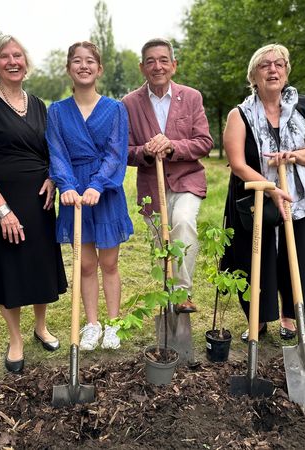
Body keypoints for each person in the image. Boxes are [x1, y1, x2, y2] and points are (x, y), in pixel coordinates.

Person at [0, 35, 68, 373]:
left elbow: (51, 150)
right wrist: (2, 209)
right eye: (4, 56)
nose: (12, 61)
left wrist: (53, 178)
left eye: (18, 55)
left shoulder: (38, 104)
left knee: (38, 265)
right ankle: (15, 339)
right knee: (8, 267)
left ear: (26, 61)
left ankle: (40, 327)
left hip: (39, 199)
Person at [221, 43, 305, 342]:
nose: (273, 69)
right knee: (254, 257)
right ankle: (257, 319)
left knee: (293, 254)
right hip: (255, 197)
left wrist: (294, 156)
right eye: (265, 65)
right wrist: (270, 189)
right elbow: (236, 163)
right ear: (253, 76)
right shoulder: (240, 114)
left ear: (286, 71)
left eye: (279, 64)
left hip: (297, 197)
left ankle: (289, 316)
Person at [46, 41, 133, 351]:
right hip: (73, 193)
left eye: (90, 61)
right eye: (77, 61)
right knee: (84, 265)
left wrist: (97, 185)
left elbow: (115, 152)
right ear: (69, 67)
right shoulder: (56, 111)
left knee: (109, 263)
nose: (83, 66)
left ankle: (113, 324)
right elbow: (56, 152)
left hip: (104, 191)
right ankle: (92, 324)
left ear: (100, 68)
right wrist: (67, 186)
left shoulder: (115, 109)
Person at [122, 38, 214, 313]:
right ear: (142, 67)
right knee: (162, 241)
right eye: (150, 61)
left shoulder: (192, 97)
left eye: (163, 60)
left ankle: (182, 293)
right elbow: (125, 151)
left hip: (187, 179)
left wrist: (173, 145)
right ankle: (169, 292)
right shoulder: (128, 103)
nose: (157, 66)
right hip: (152, 185)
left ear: (174, 65)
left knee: (182, 223)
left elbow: (204, 142)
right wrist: (146, 151)